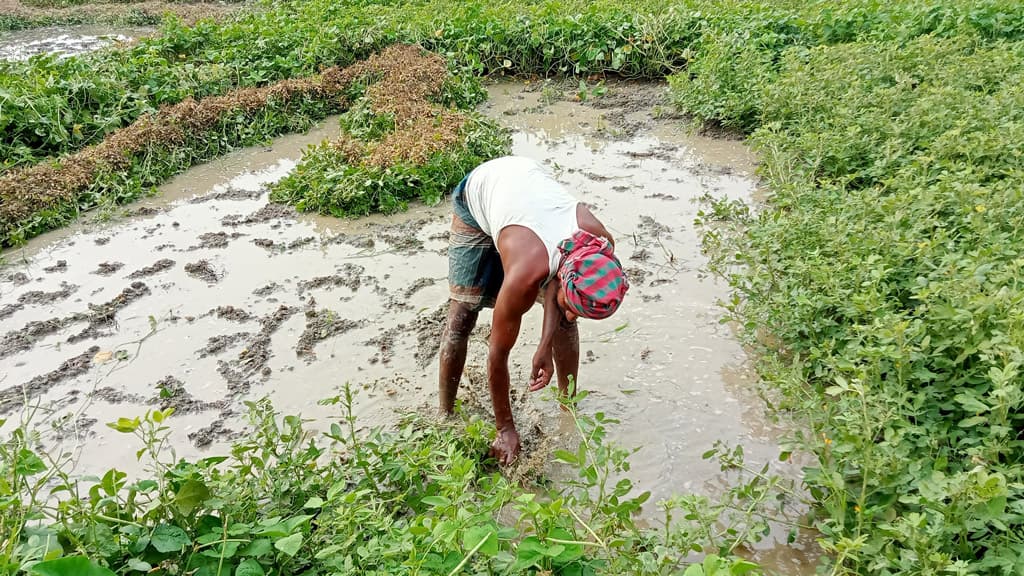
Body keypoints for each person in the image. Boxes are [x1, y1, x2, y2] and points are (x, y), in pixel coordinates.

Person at [438, 155, 629, 465]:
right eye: (575, 307)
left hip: (525, 189)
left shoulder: (598, 244)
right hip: (481, 191)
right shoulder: (525, 274)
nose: (573, 314)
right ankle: (445, 413)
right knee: (462, 317)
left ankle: (569, 409)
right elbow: (497, 353)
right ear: (564, 280)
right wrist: (506, 428)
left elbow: (558, 278)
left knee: (564, 325)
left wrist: (544, 345)